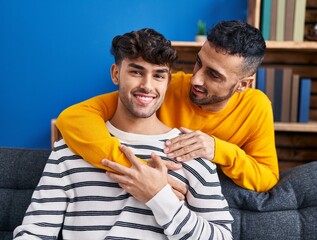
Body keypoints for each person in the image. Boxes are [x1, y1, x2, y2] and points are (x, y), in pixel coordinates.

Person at [13, 28, 233, 239]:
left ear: (168, 81)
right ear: (116, 74)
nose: (147, 86)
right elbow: (33, 233)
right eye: (136, 72)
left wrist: (160, 198)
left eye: (158, 75)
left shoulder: (189, 153)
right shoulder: (69, 149)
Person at [56, 20, 279, 192]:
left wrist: (218, 149)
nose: (195, 79)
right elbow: (74, 117)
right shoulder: (163, 89)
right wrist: (136, 168)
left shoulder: (256, 107)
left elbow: (267, 177)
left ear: (243, 84)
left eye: (213, 75)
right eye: (199, 63)